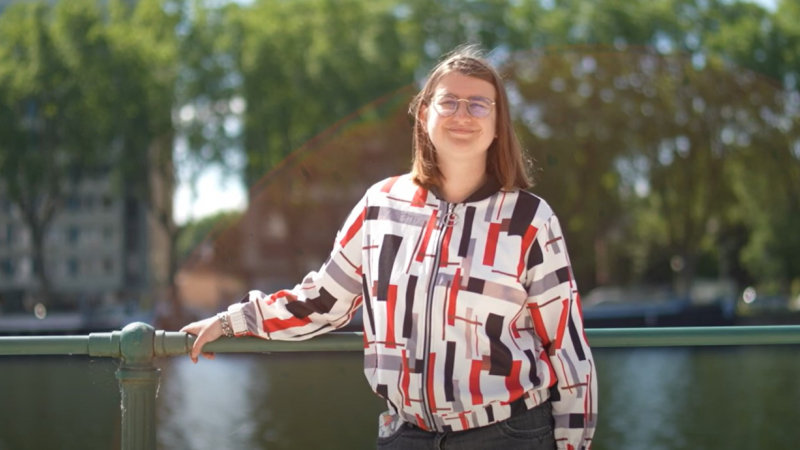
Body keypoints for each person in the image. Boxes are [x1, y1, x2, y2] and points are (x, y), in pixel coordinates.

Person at [181, 44, 597, 450]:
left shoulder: (529, 219)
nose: (462, 115)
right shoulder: (381, 206)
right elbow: (324, 300)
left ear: (498, 123)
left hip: (508, 435)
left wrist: (572, 443)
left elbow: (566, 346)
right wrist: (234, 321)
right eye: (448, 102)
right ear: (424, 115)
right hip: (406, 436)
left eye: (478, 105)